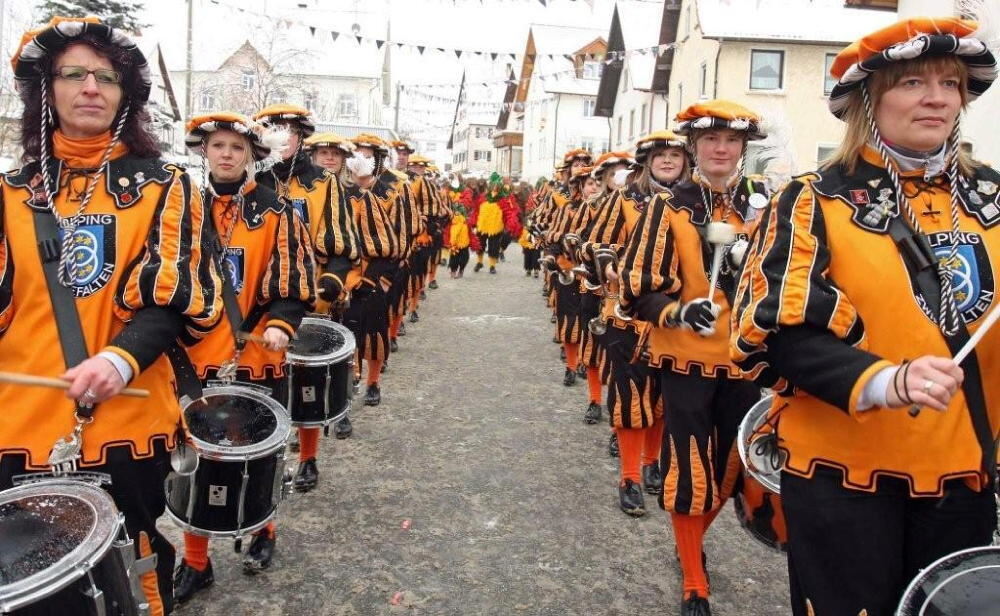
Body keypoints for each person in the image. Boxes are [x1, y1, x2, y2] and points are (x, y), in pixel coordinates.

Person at [732, 15, 1000, 616]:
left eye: (950, 83)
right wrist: (887, 380)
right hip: (843, 478)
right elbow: (774, 332)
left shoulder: (994, 200)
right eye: (912, 84)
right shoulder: (812, 200)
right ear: (868, 101)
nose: (936, 98)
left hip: (964, 475)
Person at [0, 17, 224, 615]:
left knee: (135, 574)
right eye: (73, 74)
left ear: (127, 95)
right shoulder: (7, 191)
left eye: (107, 77)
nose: (91, 88)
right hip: (16, 426)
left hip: (123, 419)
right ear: (46, 89)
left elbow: (175, 297)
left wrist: (120, 360)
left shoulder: (166, 186)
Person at [620, 101, 769, 616]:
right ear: (694, 149)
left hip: (745, 361)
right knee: (689, 467)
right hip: (685, 360)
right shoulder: (669, 207)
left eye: (730, 141)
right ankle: (692, 579)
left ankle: (690, 543)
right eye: (710, 141)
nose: (721, 149)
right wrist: (680, 313)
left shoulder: (764, 206)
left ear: (743, 148)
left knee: (733, 466)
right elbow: (639, 288)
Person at [175, 112, 315, 601]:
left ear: (252, 155)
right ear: (205, 152)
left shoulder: (278, 212)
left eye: (237, 146)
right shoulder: (184, 208)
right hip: (197, 359)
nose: (227, 154)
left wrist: (280, 323)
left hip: (256, 358)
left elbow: (295, 283)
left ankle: (263, 532)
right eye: (218, 146)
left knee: (259, 456)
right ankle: (196, 561)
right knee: (197, 461)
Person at [583, 133, 688, 515]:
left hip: (673, 318)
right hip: (626, 313)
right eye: (660, 155)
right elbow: (594, 243)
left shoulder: (694, 203)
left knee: (661, 398)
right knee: (630, 396)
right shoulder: (623, 200)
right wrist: (609, 266)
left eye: (675, 154)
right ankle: (629, 476)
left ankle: (651, 463)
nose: (667, 160)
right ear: (646, 162)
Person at [253, 105, 360, 444]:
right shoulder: (252, 181)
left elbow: (341, 241)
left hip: (311, 296)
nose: (282, 139)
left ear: (301, 139)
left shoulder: (323, 183)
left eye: (290, 133)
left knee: (307, 382)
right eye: (274, 131)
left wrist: (330, 284)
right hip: (258, 301)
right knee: (264, 383)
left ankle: (308, 457)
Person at [342, 133, 405, 406]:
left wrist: (384, 278)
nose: (361, 161)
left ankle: (373, 381)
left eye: (367, 156)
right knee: (345, 335)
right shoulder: (337, 189)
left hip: (379, 272)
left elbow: (403, 232)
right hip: (341, 276)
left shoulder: (394, 189)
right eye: (356, 155)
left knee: (375, 332)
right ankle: (347, 388)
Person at [545, 165, 600, 387]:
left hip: (596, 279)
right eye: (589, 183)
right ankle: (570, 366)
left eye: (597, 182)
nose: (594, 187)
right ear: (580, 187)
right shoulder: (567, 209)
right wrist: (552, 257)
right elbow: (552, 239)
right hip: (568, 272)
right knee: (569, 321)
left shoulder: (609, 210)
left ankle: (586, 369)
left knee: (591, 326)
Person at [449, 205, 471, 278]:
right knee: (460, 257)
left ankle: (455, 270)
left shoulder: (465, 222)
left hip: (459, 243)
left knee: (456, 257)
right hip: (458, 243)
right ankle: (457, 270)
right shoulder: (453, 221)